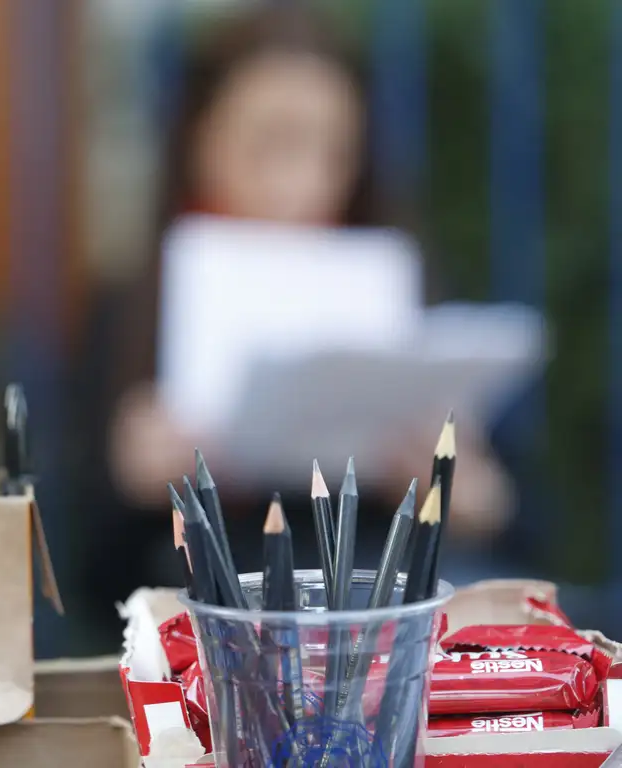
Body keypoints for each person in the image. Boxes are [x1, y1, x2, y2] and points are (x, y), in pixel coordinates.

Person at [68, 1, 514, 650]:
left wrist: (471, 494)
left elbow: (517, 530)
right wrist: (130, 478)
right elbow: (82, 581)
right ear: (200, 137)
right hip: (210, 645)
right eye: (271, 142)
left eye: (334, 151)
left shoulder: (403, 287)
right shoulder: (133, 309)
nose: (301, 182)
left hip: (383, 638)